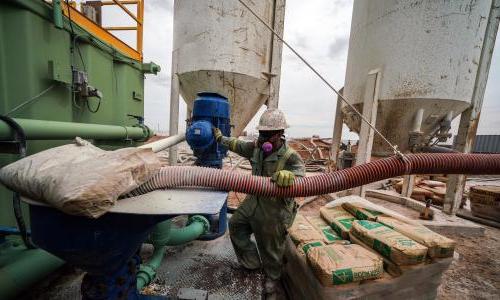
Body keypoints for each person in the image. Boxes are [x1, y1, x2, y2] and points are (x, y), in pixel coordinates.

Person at [213, 108, 305, 298]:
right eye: (263, 134)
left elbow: (302, 178)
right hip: (252, 202)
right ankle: (252, 264)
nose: (265, 139)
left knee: (270, 248)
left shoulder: (290, 156)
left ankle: (272, 279)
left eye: (270, 135)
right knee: (236, 226)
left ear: (280, 134)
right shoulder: (256, 147)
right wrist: (221, 138)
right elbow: (237, 145)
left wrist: (291, 176)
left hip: (274, 209)